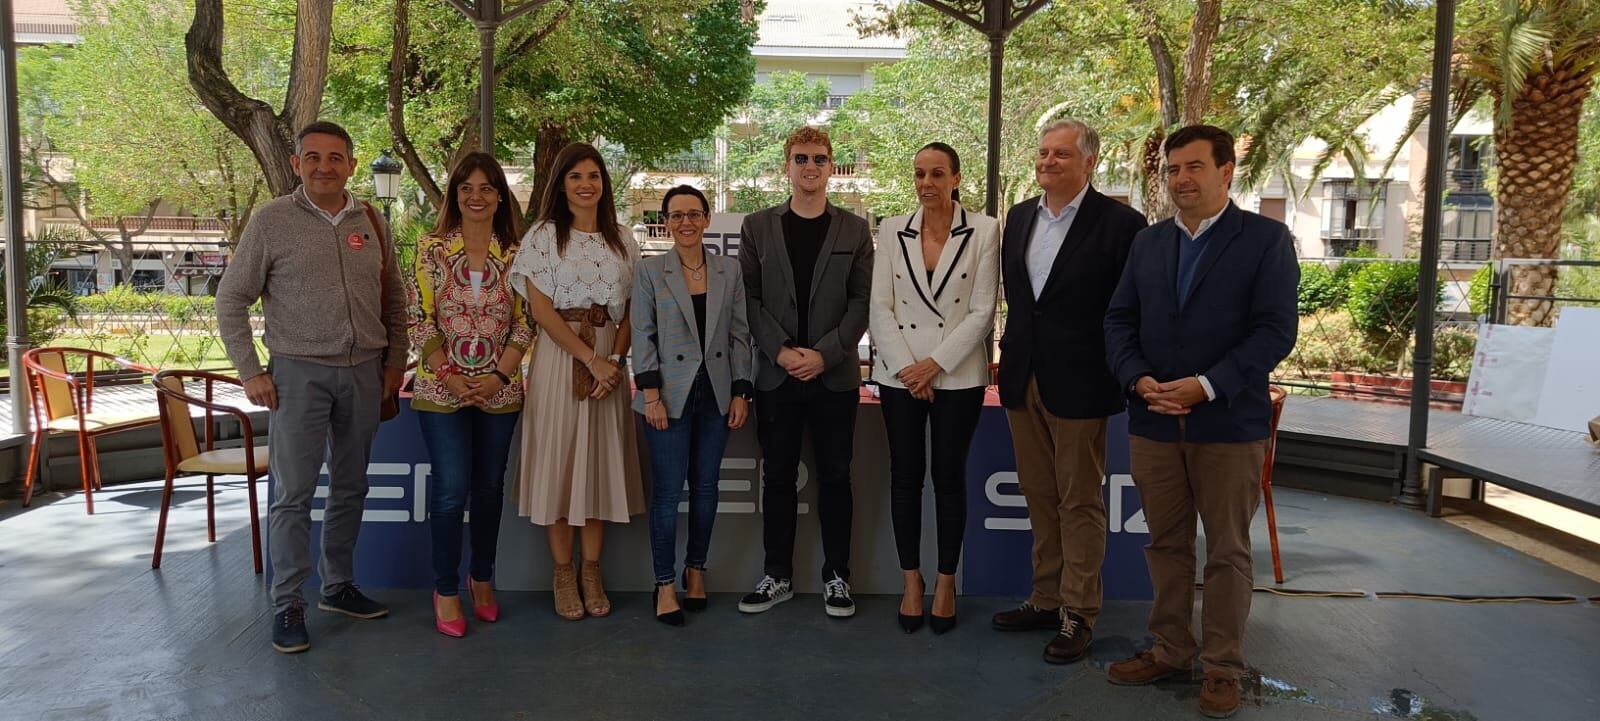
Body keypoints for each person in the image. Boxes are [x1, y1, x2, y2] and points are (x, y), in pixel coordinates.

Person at [1103, 124, 1298, 718]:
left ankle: (1222, 668)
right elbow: (1118, 320)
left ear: (1226, 170)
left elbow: (1274, 332)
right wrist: (1138, 379)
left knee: (1228, 552)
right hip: (1154, 420)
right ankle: (1170, 648)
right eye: (1172, 170)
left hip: (1227, 424)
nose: (1181, 179)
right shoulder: (1149, 243)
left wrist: (1206, 386)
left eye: (1193, 167)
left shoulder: (1266, 239)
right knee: (1165, 544)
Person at [216, 121, 408, 654]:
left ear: (350, 163)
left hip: (365, 372)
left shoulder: (371, 219)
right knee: (293, 494)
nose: (325, 166)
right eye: (313, 157)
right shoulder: (271, 221)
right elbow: (231, 301)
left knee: (351, 486)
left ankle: (338, 585)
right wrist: (251, 371)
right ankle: (287, 602)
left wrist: (395, 363)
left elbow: (393, 299)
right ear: (297, 164)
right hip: (297, 374)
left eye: (336, 157)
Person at [991, 118, 1149, 663]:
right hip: (1021, 376)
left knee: (1079, 500)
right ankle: (1045, 597)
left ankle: (1078, 613)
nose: (1047, 162)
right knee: (1039, 496)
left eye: (1060, 154)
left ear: (1089, 162)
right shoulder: (1017, 218)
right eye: (1042, 153)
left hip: (1082, 382)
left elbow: (1128, 310)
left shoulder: (1123, 224)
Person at [737, 126, 873, 618]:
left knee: (837, 478)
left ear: (831, 167)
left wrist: (826, 353)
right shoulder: (757, 227)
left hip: (833, 377)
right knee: (776, 478)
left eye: (819, 159)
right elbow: (747, 298)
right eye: (801, 158)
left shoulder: (855, 230)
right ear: (786, 166)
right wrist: (780, 351)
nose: (810, 167)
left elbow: (863, 299)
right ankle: (777, 575)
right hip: (776, 377)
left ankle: (838, 576)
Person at [508, 142, 644, 621]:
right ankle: (563, 572)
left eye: (594, 175)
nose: (586, 184)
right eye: (575, 177)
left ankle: (592, 570)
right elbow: (541, 311)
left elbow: (631, 311)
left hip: (610, 362)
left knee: (599, 468)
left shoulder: (624, 238)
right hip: (561, 361)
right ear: (560, 184)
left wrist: (616, 360)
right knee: (561, 465)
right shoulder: (544, 236)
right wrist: (591, 359)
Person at [867, 142, 999, 634]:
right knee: (905, 478)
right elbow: (881, 308)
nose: (927, 183)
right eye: (920, 173)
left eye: (937, 174)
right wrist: (909, 369)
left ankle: (945, 582)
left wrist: (934, 365)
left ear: (956, 178)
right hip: (901, 378)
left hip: (958, 375)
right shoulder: (890, 228)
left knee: (948, 478)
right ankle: (911, 581)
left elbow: (983, 310)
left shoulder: (984, 229)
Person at [407, 152, 532, 637]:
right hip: (442, 389)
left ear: (500, 196)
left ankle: (482, 579)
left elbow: (526, 322)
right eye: (466, 188)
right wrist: (450, 375)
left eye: (486, 188)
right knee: (450, 489)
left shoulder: (520, 254)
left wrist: (499, 376)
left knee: (487, 490)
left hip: (500, 390)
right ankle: (445, 589)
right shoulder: (430, 249)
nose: (476, 196)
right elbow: (418, 317)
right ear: (454, 195)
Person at [631, 185, 754, 626]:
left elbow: (741, 334)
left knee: (706, 489)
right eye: (677, 215)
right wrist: (650, 396)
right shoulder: (649, 272)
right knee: (667, 494)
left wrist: (742, 389)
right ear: (665, 221)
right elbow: (641, 336)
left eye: (694, 214)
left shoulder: (729, 270)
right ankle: (665, 583)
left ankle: (696, 569)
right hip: (667, 396)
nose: (686, 222)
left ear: (707, 219)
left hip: (718, 395)